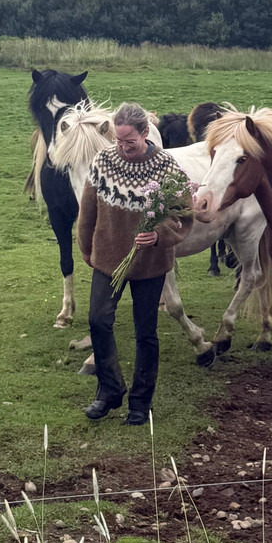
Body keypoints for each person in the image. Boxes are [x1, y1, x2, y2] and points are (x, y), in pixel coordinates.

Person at [76, 103, 194, 425]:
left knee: (146, 333)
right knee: (98, 321)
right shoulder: (103, 162)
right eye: (118, 141)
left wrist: (158, 235)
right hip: (108, 259)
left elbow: (184, 216)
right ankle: (109, 391)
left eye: (130, 142)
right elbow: (88, 209)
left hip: (149, 264)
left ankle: (140, 403)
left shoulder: (166, 167)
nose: (123, 148)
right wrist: (85, 247)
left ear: (145, 133)